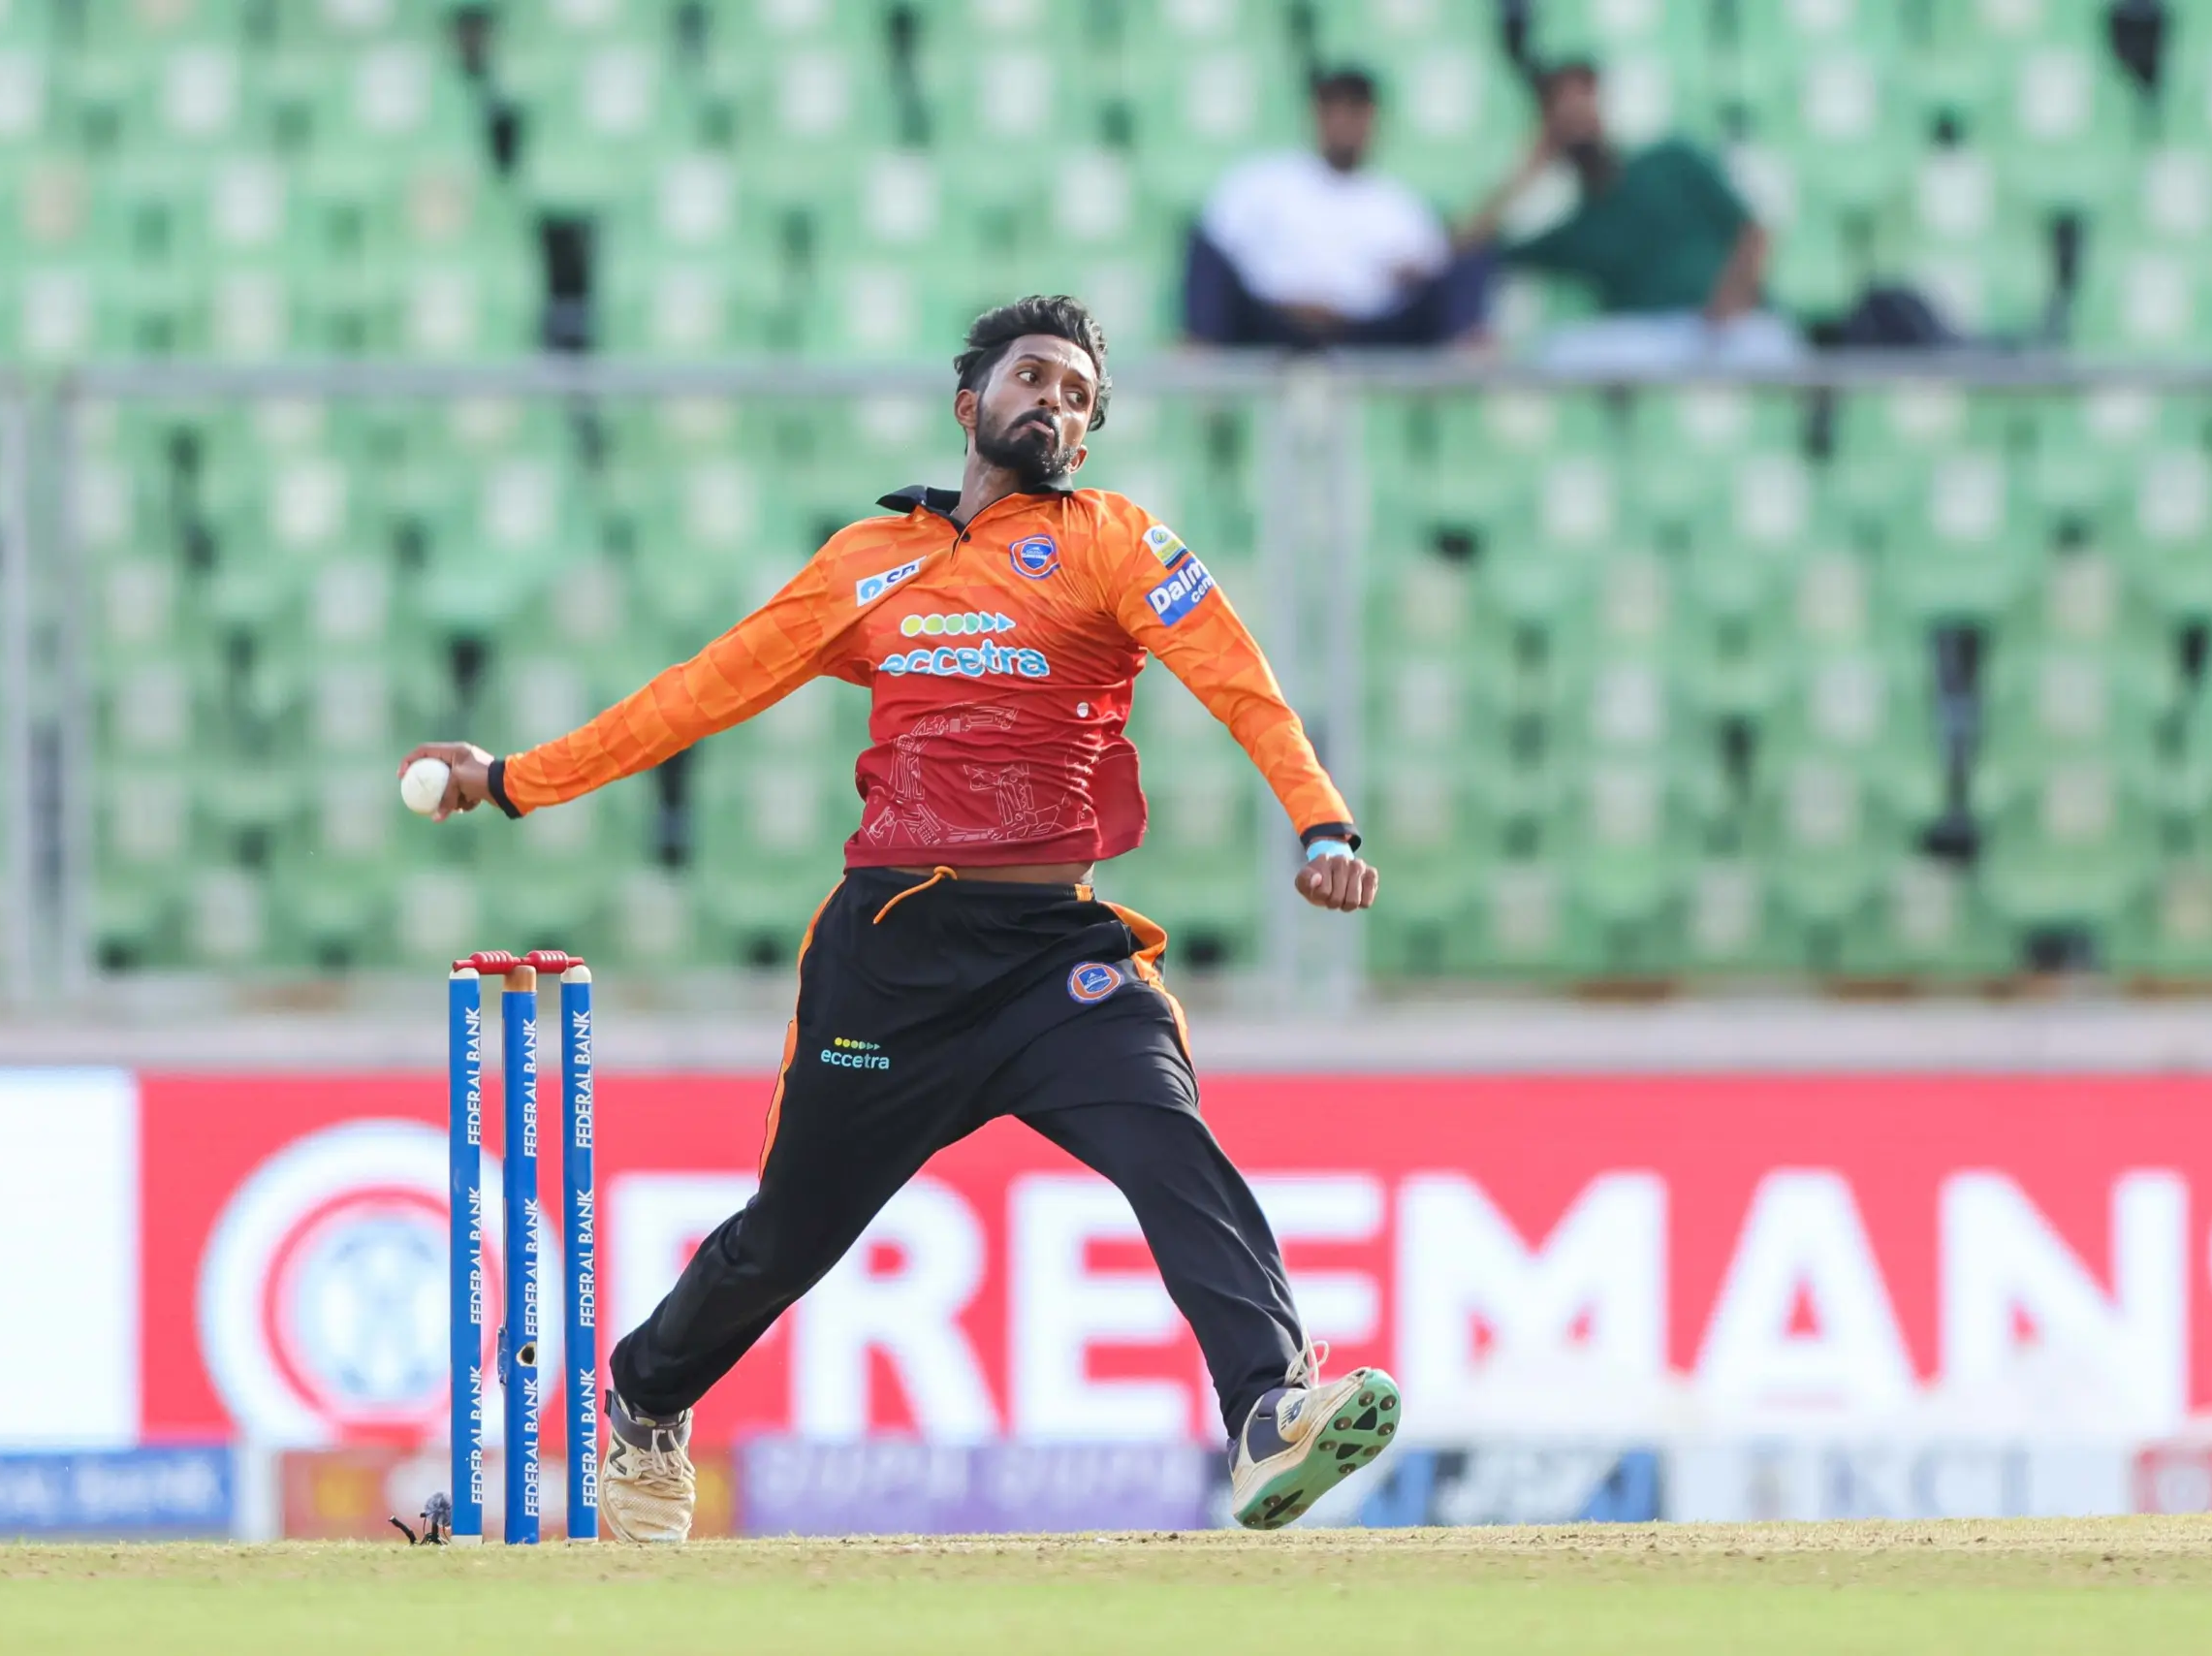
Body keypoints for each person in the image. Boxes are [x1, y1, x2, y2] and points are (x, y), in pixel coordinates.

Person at [399, 295, 1398, 1542]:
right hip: (891, 959)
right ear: (968, 399)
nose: (1054, 404)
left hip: (1051, 958)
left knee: (1168, 1141)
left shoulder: (1113, 541)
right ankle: (646, 1398)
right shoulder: (869, 561)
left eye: (1078, 396)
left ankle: (1266, 1410)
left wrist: (1323, 824)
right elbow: (700, 692)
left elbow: (1238, 683)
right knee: (785, 1240)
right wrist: (513, 779)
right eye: (1033, 377)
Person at [1460, 60, 1802, 371]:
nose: (1576, 118)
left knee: (1771, 350)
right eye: (1560, 112)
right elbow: (1467, 246)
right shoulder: (1578, 228)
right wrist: (1529, 169)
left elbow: (1755, 231)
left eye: (1583, 102)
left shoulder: (1671, 160)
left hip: (1728, 330)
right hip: (1641, 340)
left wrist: (1729, 301)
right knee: (1558, 355)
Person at [1185, 68, 1487, 347]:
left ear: (1372, 120)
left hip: (1363, 331)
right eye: (1335, 111)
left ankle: (1467, 350)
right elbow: (1217, 248)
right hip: (1273, 322)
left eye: (1355, 113)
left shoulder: (1397, 202)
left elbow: (1423, 267)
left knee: (1470, 253)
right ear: (1316, 114)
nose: (1344, 124)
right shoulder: (1261, 182)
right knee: (1206, 250)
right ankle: (1200, 343)